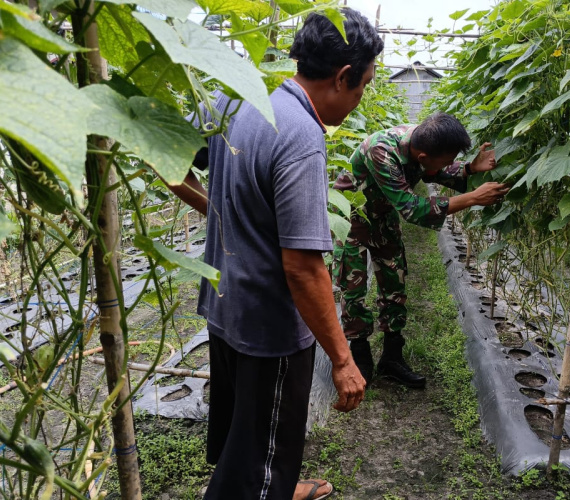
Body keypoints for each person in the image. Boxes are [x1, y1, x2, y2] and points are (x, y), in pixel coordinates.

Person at [167, 9, 383, 500]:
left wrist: (219, 211)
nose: (359, 98)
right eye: (363, 86)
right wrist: (344, 361)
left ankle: (263, 485)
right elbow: (303, 268)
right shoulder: (302, 136)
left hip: (223, 307)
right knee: (265, 458)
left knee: (245, 433)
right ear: (343, 76)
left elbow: (167, 159)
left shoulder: (237, 94)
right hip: (270, 329)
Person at [332, 113, 510, 388]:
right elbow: (412, 208)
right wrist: (472, 198)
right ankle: (360, 357)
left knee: (394, 283)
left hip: (383, 215)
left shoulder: (422, 143)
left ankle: (392, 358)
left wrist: (470, 169)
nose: (449, 164)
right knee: (353, 287)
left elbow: (435, 170)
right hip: (352, 218)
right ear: (423, 155)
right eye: (447, 159)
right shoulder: (381, 150)